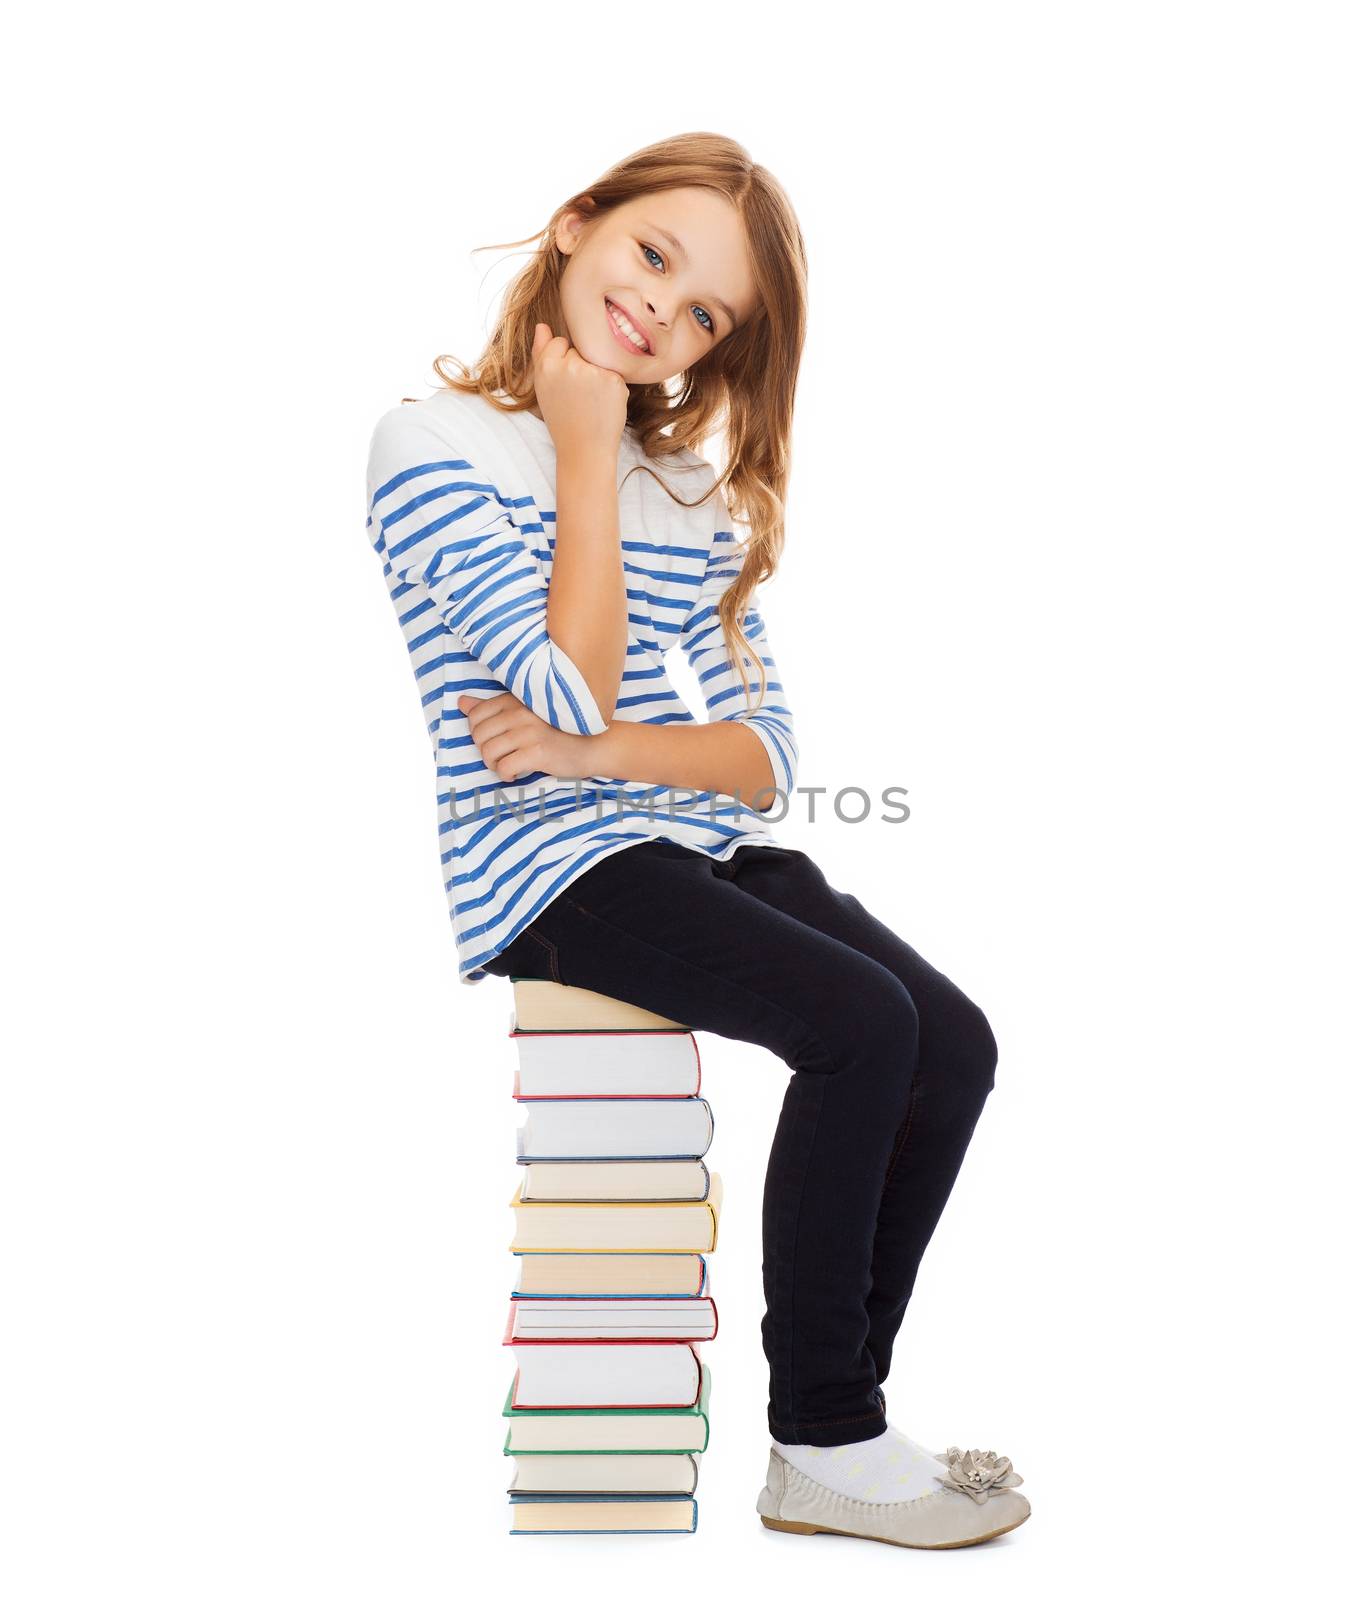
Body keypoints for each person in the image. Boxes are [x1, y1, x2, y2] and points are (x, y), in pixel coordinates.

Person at [363, 132, 1029, 1550]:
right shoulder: (432, 446)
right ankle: (828, 1432)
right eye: (652, 256)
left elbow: (765, 758)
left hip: (684, 843)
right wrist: (587, 450)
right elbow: (565, 679)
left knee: (950, 1039)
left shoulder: (699, 498)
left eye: (705, 310)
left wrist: (599, 753)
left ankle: (843, 1429)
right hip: (547, 872)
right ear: (575, 224)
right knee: (857, 1021)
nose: (662, 310)